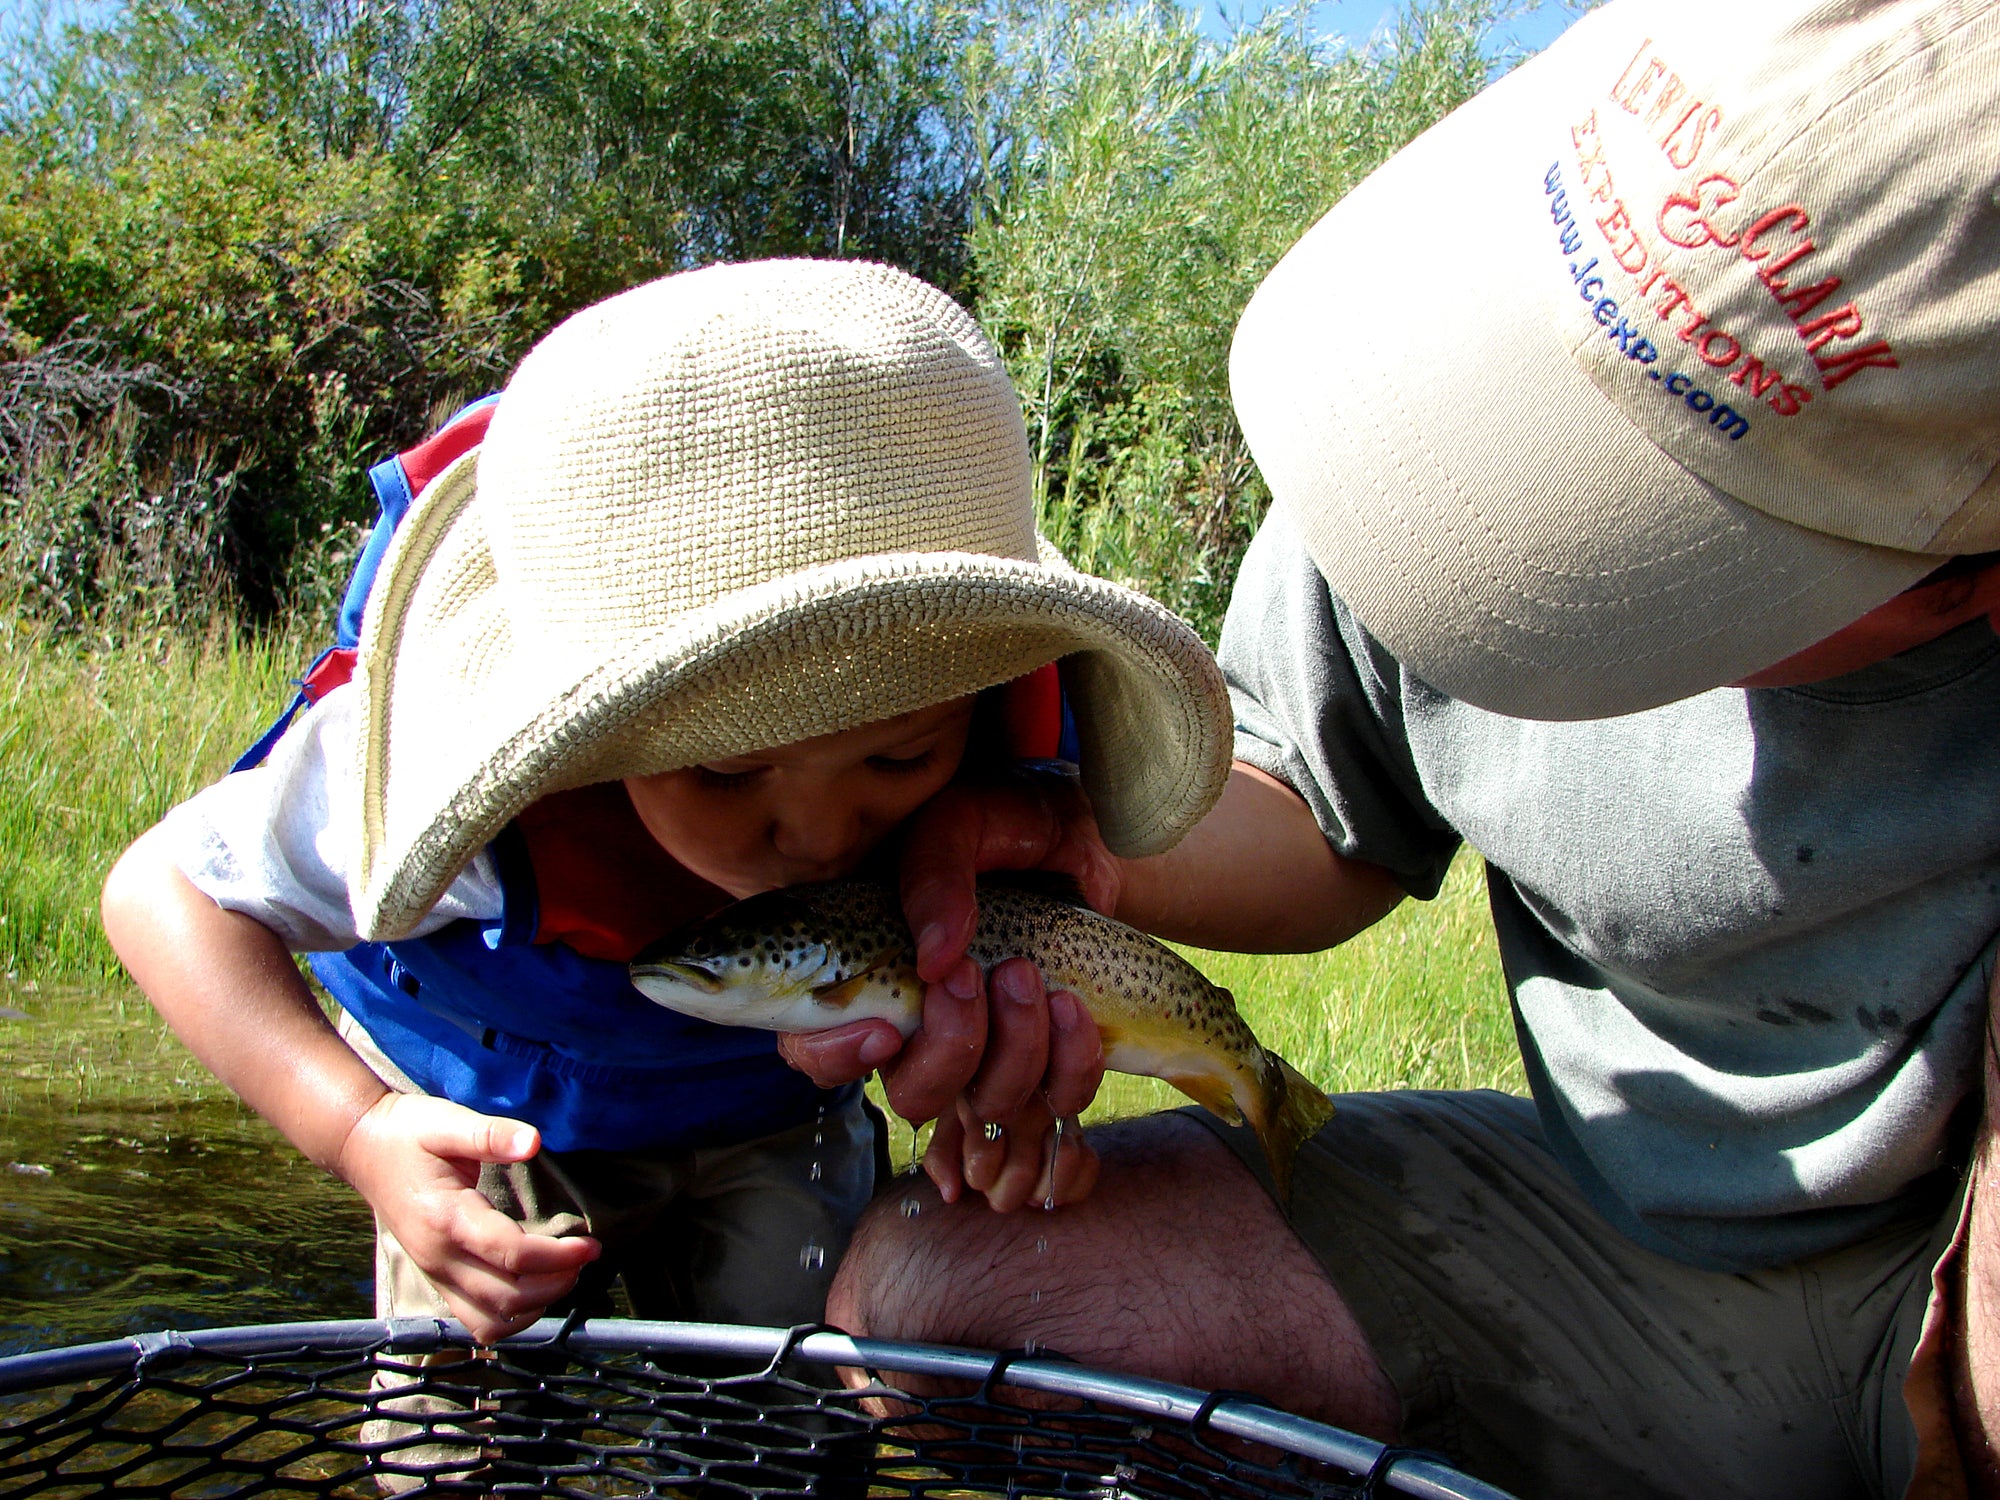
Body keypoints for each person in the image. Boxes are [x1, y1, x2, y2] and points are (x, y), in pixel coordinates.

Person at [782, 3, 2000, 1497]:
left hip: (1940, 1260)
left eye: (1649, 514)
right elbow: (1316, 799)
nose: (1525, 502)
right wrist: (1072, 844)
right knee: (925, 1304)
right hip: (1588, 1227)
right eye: (1552, 391)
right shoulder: (1449, 384)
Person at [98, 257, 1232, 1353]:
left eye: (898, 762)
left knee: (791, 1415)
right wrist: (357, 1129)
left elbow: (1029, 989)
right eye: (725, 774)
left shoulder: (998, 746)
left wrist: (1008, 1114)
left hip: (774, 1120)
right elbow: (162, 895)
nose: (821, 835)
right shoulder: (463, 782)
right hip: (487, 1112)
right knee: (468, 1429)